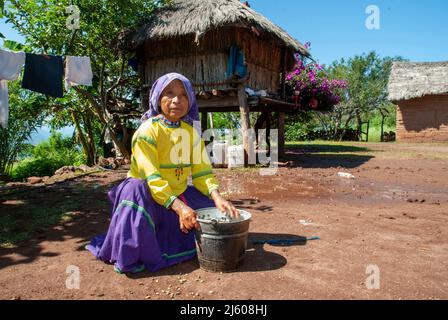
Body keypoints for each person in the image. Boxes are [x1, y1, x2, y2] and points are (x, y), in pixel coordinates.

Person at [87, 72, 239, 274]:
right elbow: (152, 179)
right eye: (169, 93)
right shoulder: (147, 131)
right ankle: (132, 252)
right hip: (146, 196)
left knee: (214, 212)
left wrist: (217, 197)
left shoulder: (191, 133)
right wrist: (180, 208)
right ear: (158, 98)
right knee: (135, 188)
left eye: (184, 95)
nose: (177, 100)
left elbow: (202, 172)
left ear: (190, 100)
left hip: (177, 193)